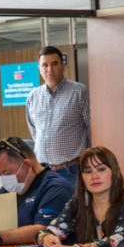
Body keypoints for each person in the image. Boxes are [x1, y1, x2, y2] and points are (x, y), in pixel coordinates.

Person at [37, 146, 124, 247]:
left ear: (115, 172)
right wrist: (47, 238)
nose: (94, 176)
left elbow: (119, 241)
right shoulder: (78, 203)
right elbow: (49, 230)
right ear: (82, 178)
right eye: (87, 171)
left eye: (101, 169)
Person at [26, 46, 90, 184]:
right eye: (45, 65)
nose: (50, 69)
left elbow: (91, 130)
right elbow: (35, 133)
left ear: (63, 65)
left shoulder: (79, 92)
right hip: (43, 172)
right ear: (39, 68)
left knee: (74, 206)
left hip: (71, 172)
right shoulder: (33, 96)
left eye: (54, 64)